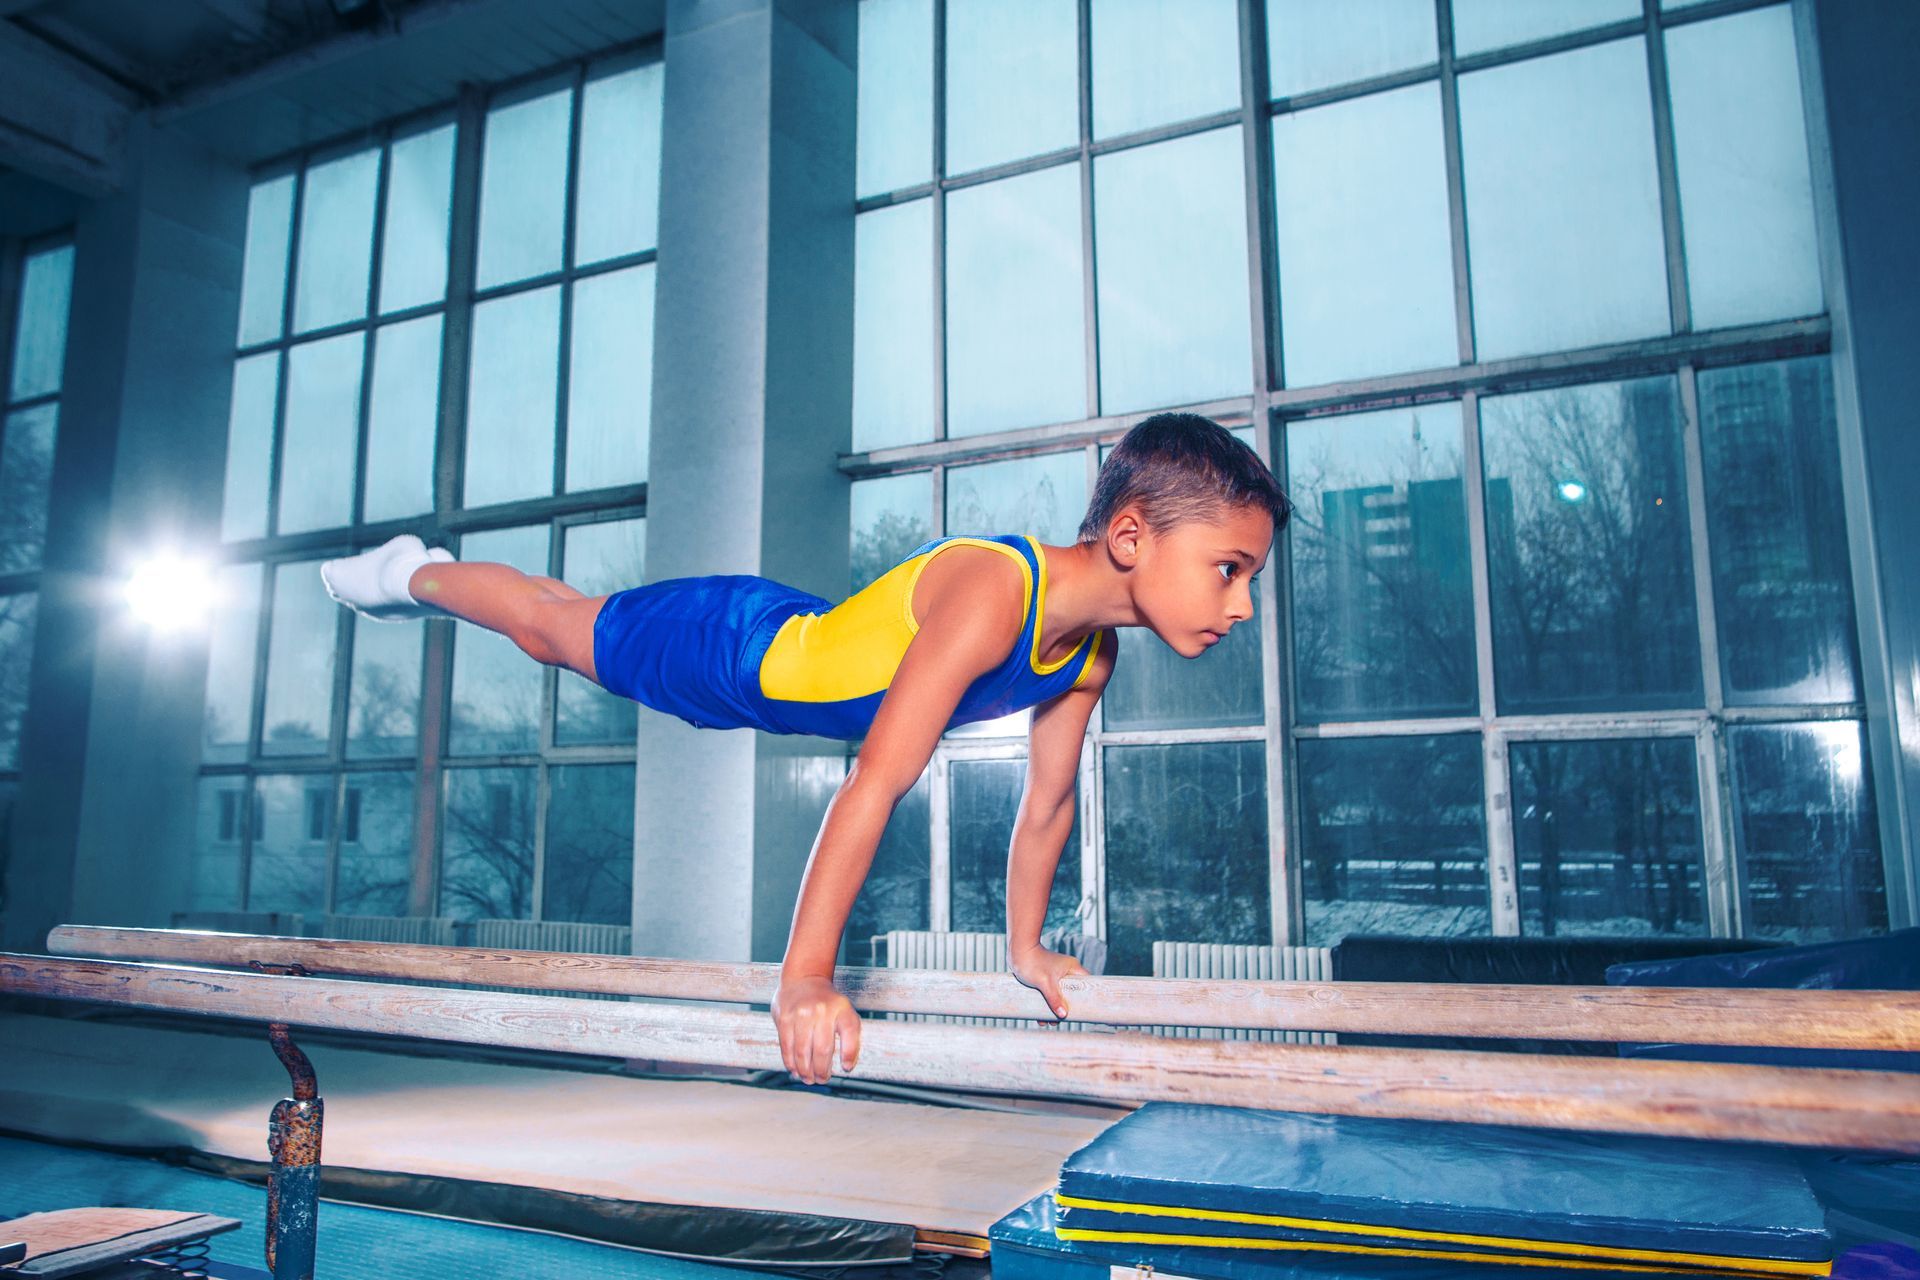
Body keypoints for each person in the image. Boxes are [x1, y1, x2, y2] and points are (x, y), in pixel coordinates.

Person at [320, 412, 1291, 1084]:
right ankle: (415, 575)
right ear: (1131, 535)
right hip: (735, 650)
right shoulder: (996, 593)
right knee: (549, 627)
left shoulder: (1087, 656)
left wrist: (1027, 947)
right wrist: (808, 974)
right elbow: (875, 779)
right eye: (1229, 568)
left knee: (562, 616)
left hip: (800, 643)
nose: (1242, 602)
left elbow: (1048, 806)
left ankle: (422, 571)